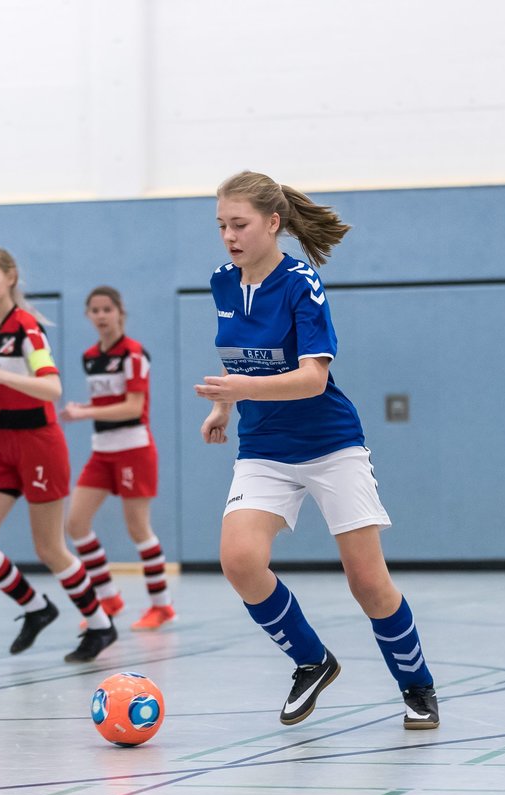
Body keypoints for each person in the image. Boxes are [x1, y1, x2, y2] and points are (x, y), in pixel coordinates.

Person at [195, 171, 439, 729]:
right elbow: (241, 358)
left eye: (240, 224)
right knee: (239, 561)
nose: (229, 236)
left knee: (367, 582)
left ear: (273, 223)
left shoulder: (301, 283)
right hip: (264, 445)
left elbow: (309, 379)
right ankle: (312, 661)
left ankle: (417, 686)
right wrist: (223, 407)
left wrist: (238, 390)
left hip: (330, 443)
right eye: (221, 226)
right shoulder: (222, 282)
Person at [0, 246, 117, 663]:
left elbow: (52, 388)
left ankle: (100, 624)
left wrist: (5, 376)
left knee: (49, 548)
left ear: (10, 277)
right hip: (0, 447)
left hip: (38, 444)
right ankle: (35, 607)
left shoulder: (28, 329)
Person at [59, 286, 176, 631]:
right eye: (94, 310)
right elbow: (106, 403)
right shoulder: (90, 356)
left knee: (138, 528)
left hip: (134, 449)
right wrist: (88, 411)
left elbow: (132, 406)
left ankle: (162, 606)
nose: (100, 316)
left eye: (106, 309)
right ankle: (108, 597)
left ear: (120, 312)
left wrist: (84, 412)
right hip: (102, 451)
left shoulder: (134, 354)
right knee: (76, 523)